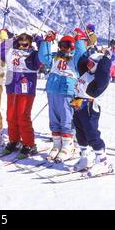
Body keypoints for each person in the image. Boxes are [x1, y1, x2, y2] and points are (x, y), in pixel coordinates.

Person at [38, 30, 86, 162]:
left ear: (73, 46)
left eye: (67, 45)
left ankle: (68, 146)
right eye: (62, 45)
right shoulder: (55, 58)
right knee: (54, 119)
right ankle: (57, 144)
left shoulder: (75, 59)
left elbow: (82, 55)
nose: (64, 48)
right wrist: (47, 41)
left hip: (68, 92)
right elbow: (43, 57)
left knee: (67, 119)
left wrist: (79, 39)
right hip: (53, 91)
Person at [0, 32, 42, 156]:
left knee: (23, 116)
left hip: (26, 89)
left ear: (30, 44)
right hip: (12, 87)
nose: (22, 47)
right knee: (11, 116)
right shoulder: (12, 52)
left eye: (25, 44)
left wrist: (40, 42)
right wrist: (12, 40)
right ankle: (14, 140)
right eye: (20, 44)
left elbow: (43, 58)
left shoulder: (34, 54)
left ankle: (29, 144)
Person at [71, 51, 113, 176]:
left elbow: (104, 73)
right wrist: (88, 51)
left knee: (92, 133)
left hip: (90, 106)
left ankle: (102, 161)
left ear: (98, 66)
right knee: (80, 132)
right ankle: (84, 157)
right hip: (78, 104)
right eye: (88, 63)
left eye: (91, 64)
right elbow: (80, 60)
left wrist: (105, 60)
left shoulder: (100, 78)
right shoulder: (86, 73)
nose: (88, 66)